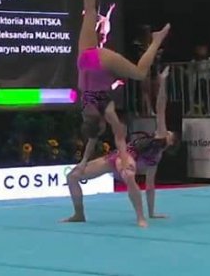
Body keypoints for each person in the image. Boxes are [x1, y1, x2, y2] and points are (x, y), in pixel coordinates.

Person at [75, 0, 169, 181]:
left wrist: (125, 157)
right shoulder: (85, 111)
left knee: (139, 73)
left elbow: (120, 135)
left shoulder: (104, 109)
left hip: (100, 63)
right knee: (89, 11)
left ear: (101, 123)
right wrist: (83, 161)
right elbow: (91, 134)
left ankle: (156, 40)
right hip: (84, 59)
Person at [63, 67, 176, 227]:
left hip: (126, 159)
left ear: (170, 142)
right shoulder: (156, 146)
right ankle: (79, 214)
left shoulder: (158, 151)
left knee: (129, 175)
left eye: (170, 134)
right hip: (115, 158)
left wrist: (151, 213)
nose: (167, 131)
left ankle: (140, 217)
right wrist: (162, 82)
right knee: (72, 176)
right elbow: (160, 108)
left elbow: (150, 187)